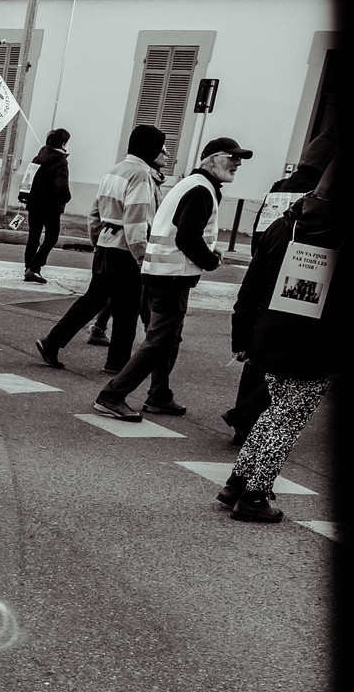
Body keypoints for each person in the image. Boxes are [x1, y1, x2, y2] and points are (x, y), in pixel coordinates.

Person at [216, 160, 344, 522]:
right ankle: (254, 497)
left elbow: (251, 287)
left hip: (271, 338)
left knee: (274, 412)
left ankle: (237, 481)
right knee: (288, 421)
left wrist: (242, 337)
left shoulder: (285, 224)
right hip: (318, 347)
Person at [94, 136, 249, 422]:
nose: (237, 163)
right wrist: (211, 261)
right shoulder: (201, 190)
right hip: (171, 276)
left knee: (168, 339)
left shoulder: (193, 184)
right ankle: (111, 396)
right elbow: (187, 237)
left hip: (162, 272)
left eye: (239, 159)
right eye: (232, 157)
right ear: (211, 159)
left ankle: (159, 395)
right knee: (158, 341)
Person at [35, 125, 168, 373]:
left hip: (106, 245)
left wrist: (98, 243)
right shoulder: (141, 175)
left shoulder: (113, 171)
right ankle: (117, 363)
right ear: (150, 147)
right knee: (126, 310)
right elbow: (136, 221)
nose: (165, 152)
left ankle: (52, 341)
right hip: (127, 250)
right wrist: (142, 257)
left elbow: (94, 215)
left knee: (92, 299)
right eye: (160, 146)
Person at [22, 127, 71, 283]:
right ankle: (34, 267)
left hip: (34, 203)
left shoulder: (38, 158)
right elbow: (60, 186)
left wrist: (24, 195)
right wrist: (66, 197)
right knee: (52, 237)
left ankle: (28, 267)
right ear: (63, 143)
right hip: (51, 207)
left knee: (33, 236)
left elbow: (28, 178)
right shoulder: (60, 162)